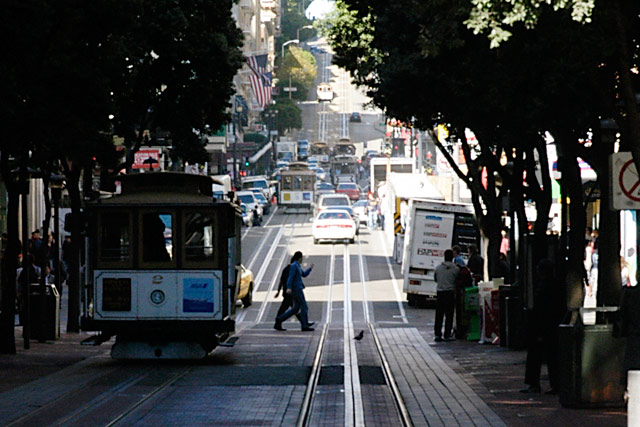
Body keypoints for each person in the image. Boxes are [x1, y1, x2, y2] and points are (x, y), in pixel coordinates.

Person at [521, 259, 563, 394]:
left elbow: (541, 308)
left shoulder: (544, 287)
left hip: (542, 325)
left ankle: (534, 383)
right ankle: (555, 384)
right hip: (550, 325)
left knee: (536, 355)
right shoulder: (555, 285)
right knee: (552, 356)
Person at [275, 251, 315, 331]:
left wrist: (310, 269)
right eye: (302, 258)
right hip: (296, 289)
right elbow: (290, 277)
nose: (302, 259)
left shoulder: (297, 266)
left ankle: (280, 319)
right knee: (304, 307)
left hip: (297, 288)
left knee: (295, 308)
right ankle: (304, 326)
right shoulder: (294, 266)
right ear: (299, 258)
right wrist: (289, 287)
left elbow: (303, 274)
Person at [434, 249, 459, 342]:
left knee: (439, 315)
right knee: (449, 314)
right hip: (450, 293)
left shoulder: (438, 268)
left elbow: (435, 279)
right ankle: (447, 334)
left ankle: (437, 334)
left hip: (440, 292)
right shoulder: (456, 269)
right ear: (452, 257)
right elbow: (457, 280)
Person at [274, 256, 302, 325]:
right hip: (290, 293)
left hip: (287, 292)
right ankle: (278, 322)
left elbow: (281, 280)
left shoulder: (286, 269)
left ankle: (304, 323)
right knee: (288, 308)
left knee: (295, 308)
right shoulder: (292, 269)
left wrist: (278, 291)